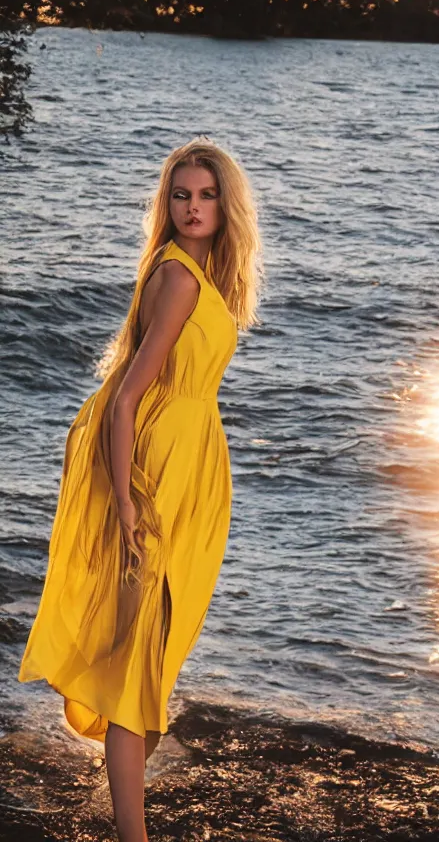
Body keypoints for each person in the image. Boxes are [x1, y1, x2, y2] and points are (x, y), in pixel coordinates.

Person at [18, 137, 263, 842]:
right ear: (168, 203)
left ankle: (129, 814)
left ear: (225, 205)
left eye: (205, 195)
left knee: (151, 656)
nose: (192, 207)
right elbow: (127, 398)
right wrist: (127, 504)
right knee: (138, 666)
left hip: (188, 467)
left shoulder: (195, 275)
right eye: (180, 195)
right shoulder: (181, 277)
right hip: (157, 473)